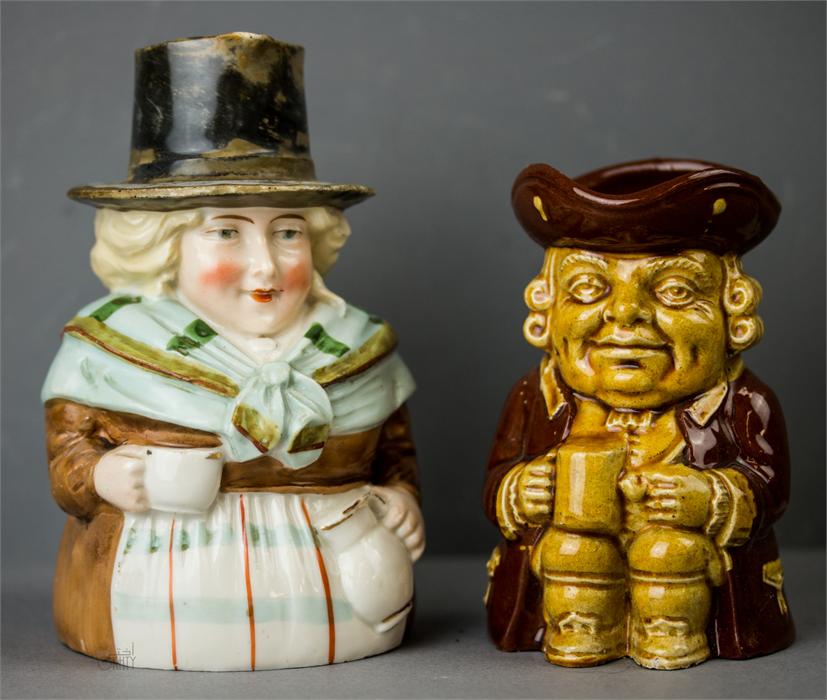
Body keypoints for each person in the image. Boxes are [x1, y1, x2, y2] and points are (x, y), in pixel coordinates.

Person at [42, 33, 423, 671]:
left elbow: (395, 453)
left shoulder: (361, 344)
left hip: (348, 597)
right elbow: (69, 458)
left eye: (288, 232)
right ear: (164, 245)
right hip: (156, 602)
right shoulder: (109, 348)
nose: (265, 264)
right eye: (226, 231)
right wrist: (105, 477)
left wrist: (404, 498)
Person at [484, 159, 794, 669]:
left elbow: (770, 487)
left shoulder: (743, 403)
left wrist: (711, 498)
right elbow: (495, 478)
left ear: (729, 312)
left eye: (674, 291)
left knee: (668, 555)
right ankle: (576, 627)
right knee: (568, 551)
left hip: (690, 564)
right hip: (565, 562)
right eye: (587, 288)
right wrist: (520, 490)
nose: (625, 313)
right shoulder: (534, 396)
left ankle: (674, 632)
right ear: (548, 308)